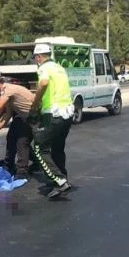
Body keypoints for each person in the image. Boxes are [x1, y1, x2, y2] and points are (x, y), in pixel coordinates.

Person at [28, 43, 75, 199]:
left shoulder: (44, 68)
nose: (36, 61)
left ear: (39, 57)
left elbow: (44, 83)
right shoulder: (59, 67)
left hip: (52, 113)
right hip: (67, 113)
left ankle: (59, 181)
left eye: (35, 58)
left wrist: (35, 103)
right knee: (57, 148)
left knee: (39, 148)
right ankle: (61, 178)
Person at [0, 73, 35, 178]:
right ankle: (8, 165)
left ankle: (22, 171)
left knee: (22, 142)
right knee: (11, 138)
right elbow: (8, 114)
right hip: (22, 116)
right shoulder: (5, 95)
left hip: (31, 116)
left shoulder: (7, 90)